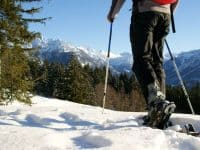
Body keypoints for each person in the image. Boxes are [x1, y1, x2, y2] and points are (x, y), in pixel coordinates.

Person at [107, 0, 179, 129]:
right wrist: (168, 11)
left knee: (141, 59)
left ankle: (157, 104)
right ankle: (159, 109)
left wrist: (113, 13)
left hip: (145, 13)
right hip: (166, 15)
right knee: (157, 61)